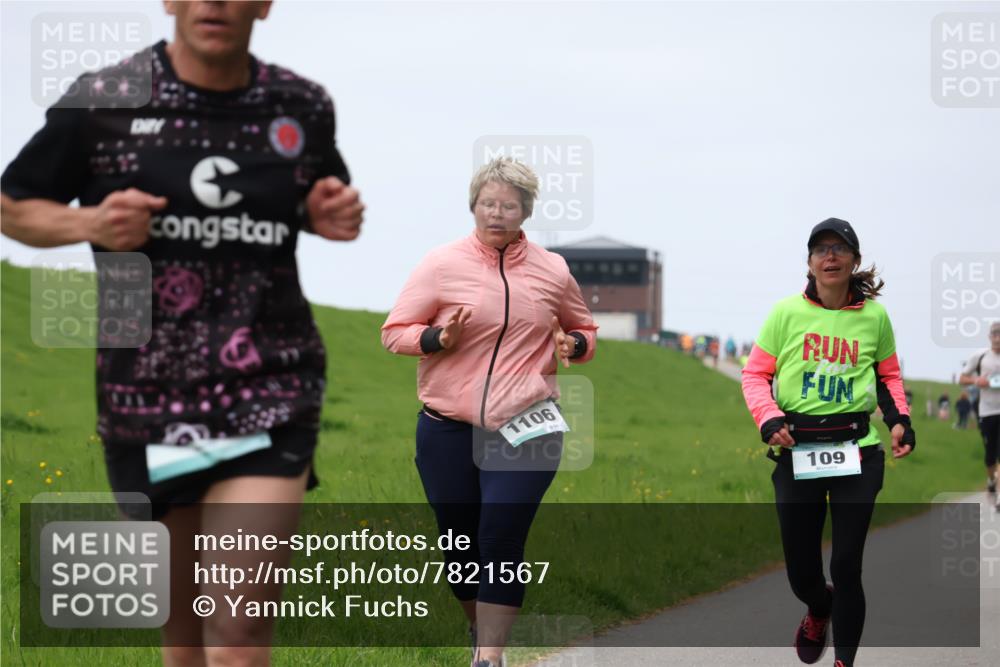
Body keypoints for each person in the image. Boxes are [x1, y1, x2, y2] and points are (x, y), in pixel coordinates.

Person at [1, 2, 364, 664]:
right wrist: (89, 225)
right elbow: (13, 205)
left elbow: (320, 194)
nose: (213, 3)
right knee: (184, 633)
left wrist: (324, 212)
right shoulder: (105, 99)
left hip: (271, 386)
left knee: (239, 627)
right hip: (145, 398)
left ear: (264, 4)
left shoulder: (300, 105)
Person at [381, 157, 597, 667]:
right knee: (460, 547)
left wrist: (576, 344)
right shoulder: (440, 264)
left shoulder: (553, 269)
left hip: (528, 424)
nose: (497, 212)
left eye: (509, 205)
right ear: (473, 204)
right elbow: (394, 332)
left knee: (502, 534)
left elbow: (584, 329)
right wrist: (436, 338)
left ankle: (490, 658)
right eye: (488, 203)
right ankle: (479, 629)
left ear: (525, 211)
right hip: (446, 428)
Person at [741, 218, 915, 667]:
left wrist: (900, 421)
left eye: (840, 248)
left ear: (855, 260)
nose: (830, 255)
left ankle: (844, 662)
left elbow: (888, 376)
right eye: (821, 249)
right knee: (803, 573)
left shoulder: (875, 317)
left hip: (858, 452)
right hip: (798, 451)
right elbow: (755, 374)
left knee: (846, 564)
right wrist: (768, 418)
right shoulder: (786, 314)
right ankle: (819, 608)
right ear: (810, 263)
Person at [958, 321, 1000, 501]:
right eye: (995, 334)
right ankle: (991, 480)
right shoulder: (981, 356)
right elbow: (962, 378)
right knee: (990, 455)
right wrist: (977, 381)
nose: (998, 338)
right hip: (987, 412)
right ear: (990, 337)